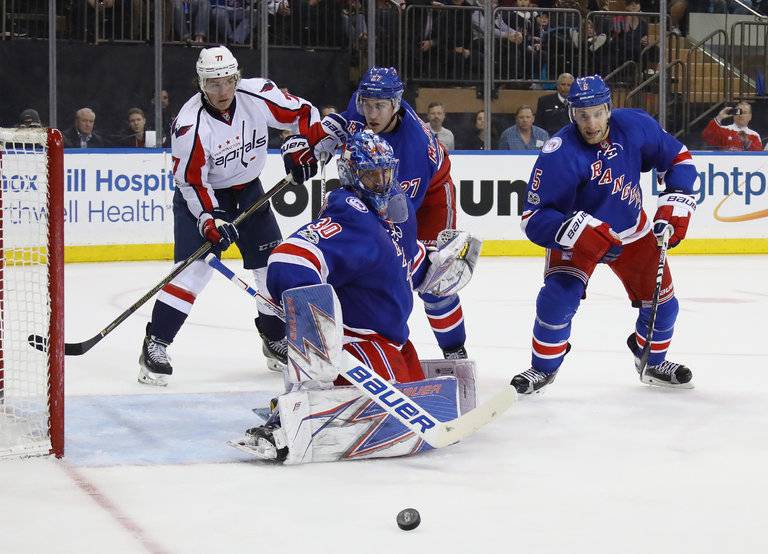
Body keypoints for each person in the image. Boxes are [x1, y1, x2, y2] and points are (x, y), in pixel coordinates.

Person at [232, 131, 481, 463]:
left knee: (412, 387)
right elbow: (290, 257)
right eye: (370, 174)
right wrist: (302, 303)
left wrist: (435, 266)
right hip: (359, 344)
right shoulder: (349, 215)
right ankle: (293, 414)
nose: (381, 182)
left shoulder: (399, 209)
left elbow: (402, 260)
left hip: (393, 340)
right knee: (394, 399)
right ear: (351, 174)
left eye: (386, 172)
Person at [138, 46, 322, 386]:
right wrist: (209, 218)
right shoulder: (189, 126)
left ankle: (273, 338)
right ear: (200, 84)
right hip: (204, 196)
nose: (222, 92)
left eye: (227, 82)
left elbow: (305, 113)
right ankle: (156, 343)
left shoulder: (258, 95)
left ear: (237, 78)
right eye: (213, 84)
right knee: (193, 272)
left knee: (271, 268)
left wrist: (303, 146)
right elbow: (190, 182)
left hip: (249, 190)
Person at [511, 75, 698, 394]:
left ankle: (651, 359)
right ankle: (543, 368)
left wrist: (676, 200)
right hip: (580, 237)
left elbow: (676, 157)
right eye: (583, 115)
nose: (591, 123)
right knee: (556, 301)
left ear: (609, 109)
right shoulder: (559, 151)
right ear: (572, 114)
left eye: (597, 113)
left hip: (632, 231)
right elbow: (534, 218)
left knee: (664, 304)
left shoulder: (635, 125)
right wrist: (577, 229)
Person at [312, 67, 470, 360]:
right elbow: (346, 119)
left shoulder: (413, 149)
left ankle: (454, 350)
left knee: (434, 278)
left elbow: (398, 217)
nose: (371, 113)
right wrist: (320, 137)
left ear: (396, 104)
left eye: (380, 106)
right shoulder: (362, 109)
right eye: (367, 104)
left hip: (430, 196)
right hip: (378, 184)